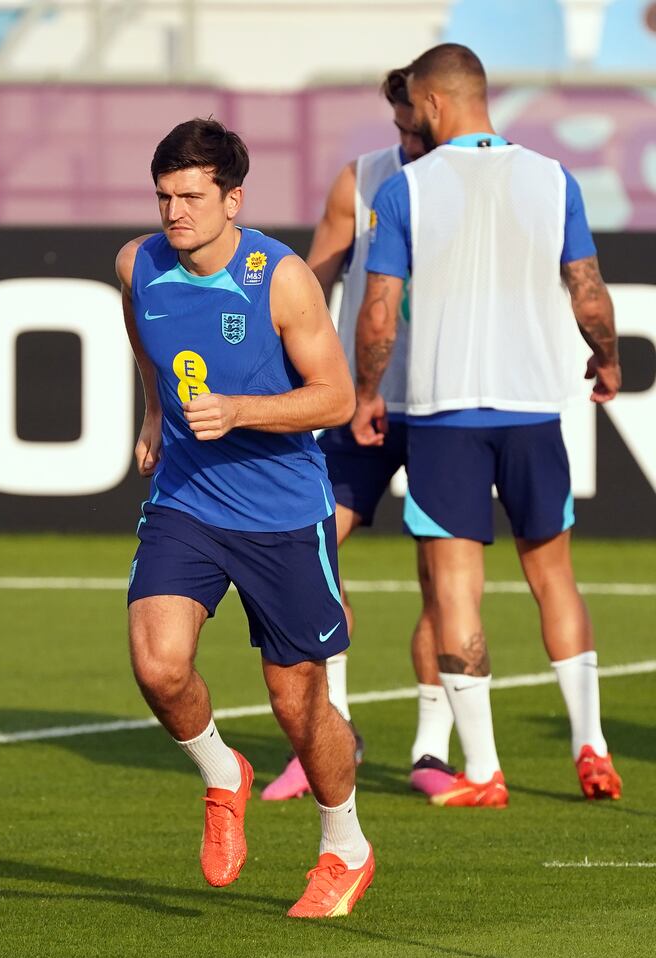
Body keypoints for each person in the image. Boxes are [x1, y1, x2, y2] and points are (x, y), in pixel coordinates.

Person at [352, 44, 623, 807]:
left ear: (433, 103)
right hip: (534, 405)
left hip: (445, 411)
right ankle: (591, 745)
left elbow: (378, 313)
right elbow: (589, 292)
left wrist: (369, 391)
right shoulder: (552, 177)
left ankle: (482, 768)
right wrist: (605, 359)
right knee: (554, 577)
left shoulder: (408, 188)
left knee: (455, 589)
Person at [116, 118, 375, 915]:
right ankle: (223, 773)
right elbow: (144, 337)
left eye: (191, 196)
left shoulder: (281, 277)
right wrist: (158, 413)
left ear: (234, 198)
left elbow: (336, 397)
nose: (174, 212)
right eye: (164, 196)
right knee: (158, 664)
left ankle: (344, 844)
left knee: (298, 705)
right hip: (188, 502)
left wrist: (241, 409)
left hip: (283, 515)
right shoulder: (137, 264)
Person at [262, 65, 457, 803]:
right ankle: (332, 729)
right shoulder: (362, 180)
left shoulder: (470, 184)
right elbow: (311, 280)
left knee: (443, 577)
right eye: (400, 128)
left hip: (444, 407)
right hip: (356, 407)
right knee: (314, 547)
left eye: (418, 128)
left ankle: (432, 747)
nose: (407, 141)